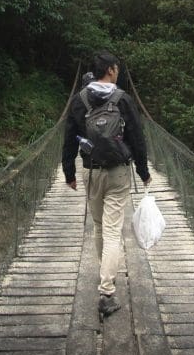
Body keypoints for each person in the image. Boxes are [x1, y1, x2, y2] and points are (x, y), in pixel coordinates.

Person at [62, 52, 150, 318]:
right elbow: (137, 137)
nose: (118, 72)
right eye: (117, 69)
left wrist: (69, 173)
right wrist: (143, 171)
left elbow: (69, 139)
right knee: (113, 231)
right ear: (110, 70)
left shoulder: (79, 101)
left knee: (100, 226)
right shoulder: (122, 99)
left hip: (91, 171)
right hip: (118, 173)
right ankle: (107, 291)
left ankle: (105, 274)